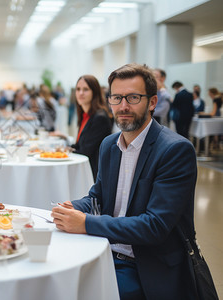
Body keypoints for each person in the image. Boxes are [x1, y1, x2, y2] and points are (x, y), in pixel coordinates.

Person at [52, 64, 199, 300]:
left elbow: (154, 226)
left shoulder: (175, 150)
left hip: (146, 266)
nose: (123, 107)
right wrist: (73, 208)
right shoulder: (109, 145)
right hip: (103, 253)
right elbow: (96, 198)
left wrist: (86, 223)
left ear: (152, 102)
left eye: (133, 97)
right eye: (116, 97)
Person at [71, 75, 112, 180]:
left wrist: (65, 152)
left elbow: (85, 151)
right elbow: (79, 145)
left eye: (85, 89)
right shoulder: (86, 115)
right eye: (78, 89)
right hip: (86, 169)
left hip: (94, 175)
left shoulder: (100, 118)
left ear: (94, 92)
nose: (81, 93)